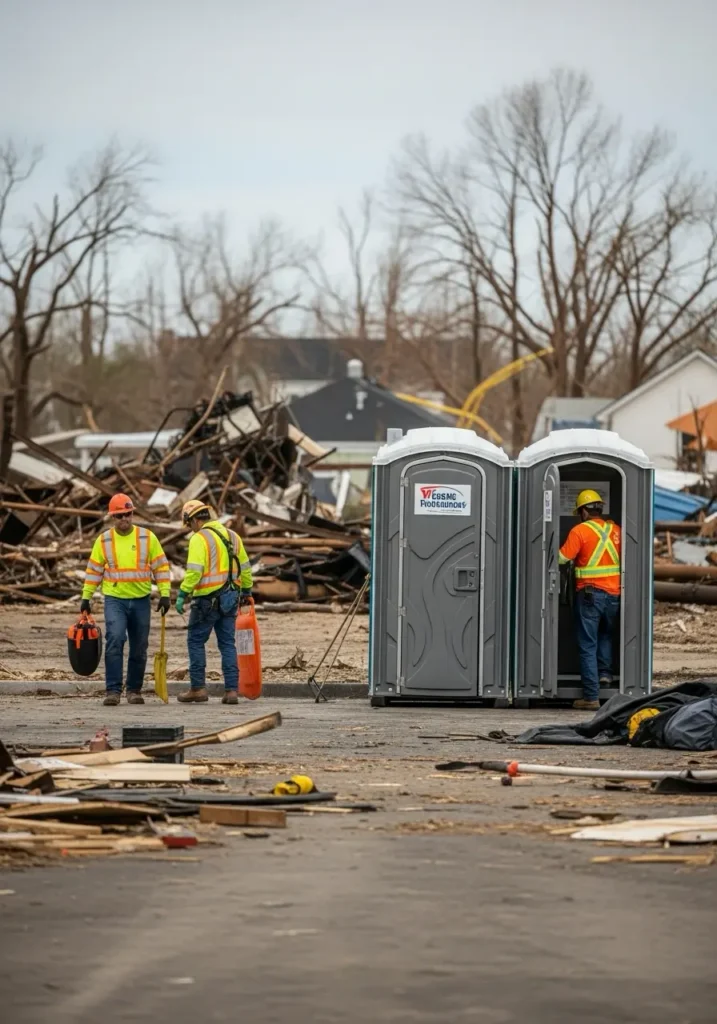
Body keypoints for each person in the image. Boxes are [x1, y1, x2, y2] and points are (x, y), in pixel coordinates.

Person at [82, 493, 171, 706]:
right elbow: (93, 570)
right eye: (120, 516)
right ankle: (113, 691)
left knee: (139, 646)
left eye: (128, 514)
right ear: (113, 517)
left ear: (133, 514)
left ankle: (134, 690)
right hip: (115, 600)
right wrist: (86, 597)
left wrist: (165, 593)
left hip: (141, 600)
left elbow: (161, 566)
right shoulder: (104, 540)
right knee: (115, 639)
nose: (125, 519)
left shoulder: (147, 537)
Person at [175, 500, 253, 704]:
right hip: (231, 597)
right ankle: (231, 692)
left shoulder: (199, 538)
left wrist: (183, 593)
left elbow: (195, 572)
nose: (190, 528)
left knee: (195, 641)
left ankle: (198, 689)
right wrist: (247, 590)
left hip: (206, 601)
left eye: (189, 523)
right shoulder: (233, 536)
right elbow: (245, 566)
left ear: (193, 519)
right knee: (227, 643)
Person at [559, 489, 621, 712]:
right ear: (599, 509)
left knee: (587, 644)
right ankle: (605, 675)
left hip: (589, 595)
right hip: (614, 595)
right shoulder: (616, 530)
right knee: (605, 635)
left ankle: (591, 696)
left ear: (584, 511)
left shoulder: (579, 531)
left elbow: (562, 558)